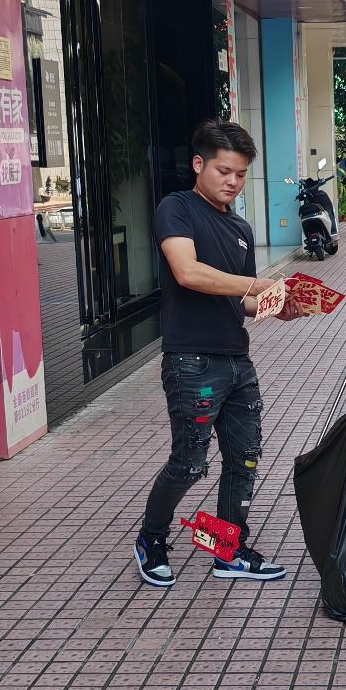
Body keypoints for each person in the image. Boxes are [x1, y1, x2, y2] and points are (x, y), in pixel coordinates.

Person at [133, 120, 302, 589]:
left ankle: (226, 550)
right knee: (190, 461)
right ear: (198, 164)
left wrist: (278, 306)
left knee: (243, 458)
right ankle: (151, 539)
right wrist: (257, 284)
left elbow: (242, 301)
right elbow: (187, 273)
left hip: (235, 359)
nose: (232, 181)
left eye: (241, 174)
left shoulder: (241, 228)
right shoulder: (177, 208)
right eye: (224, 171)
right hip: (190, 360)